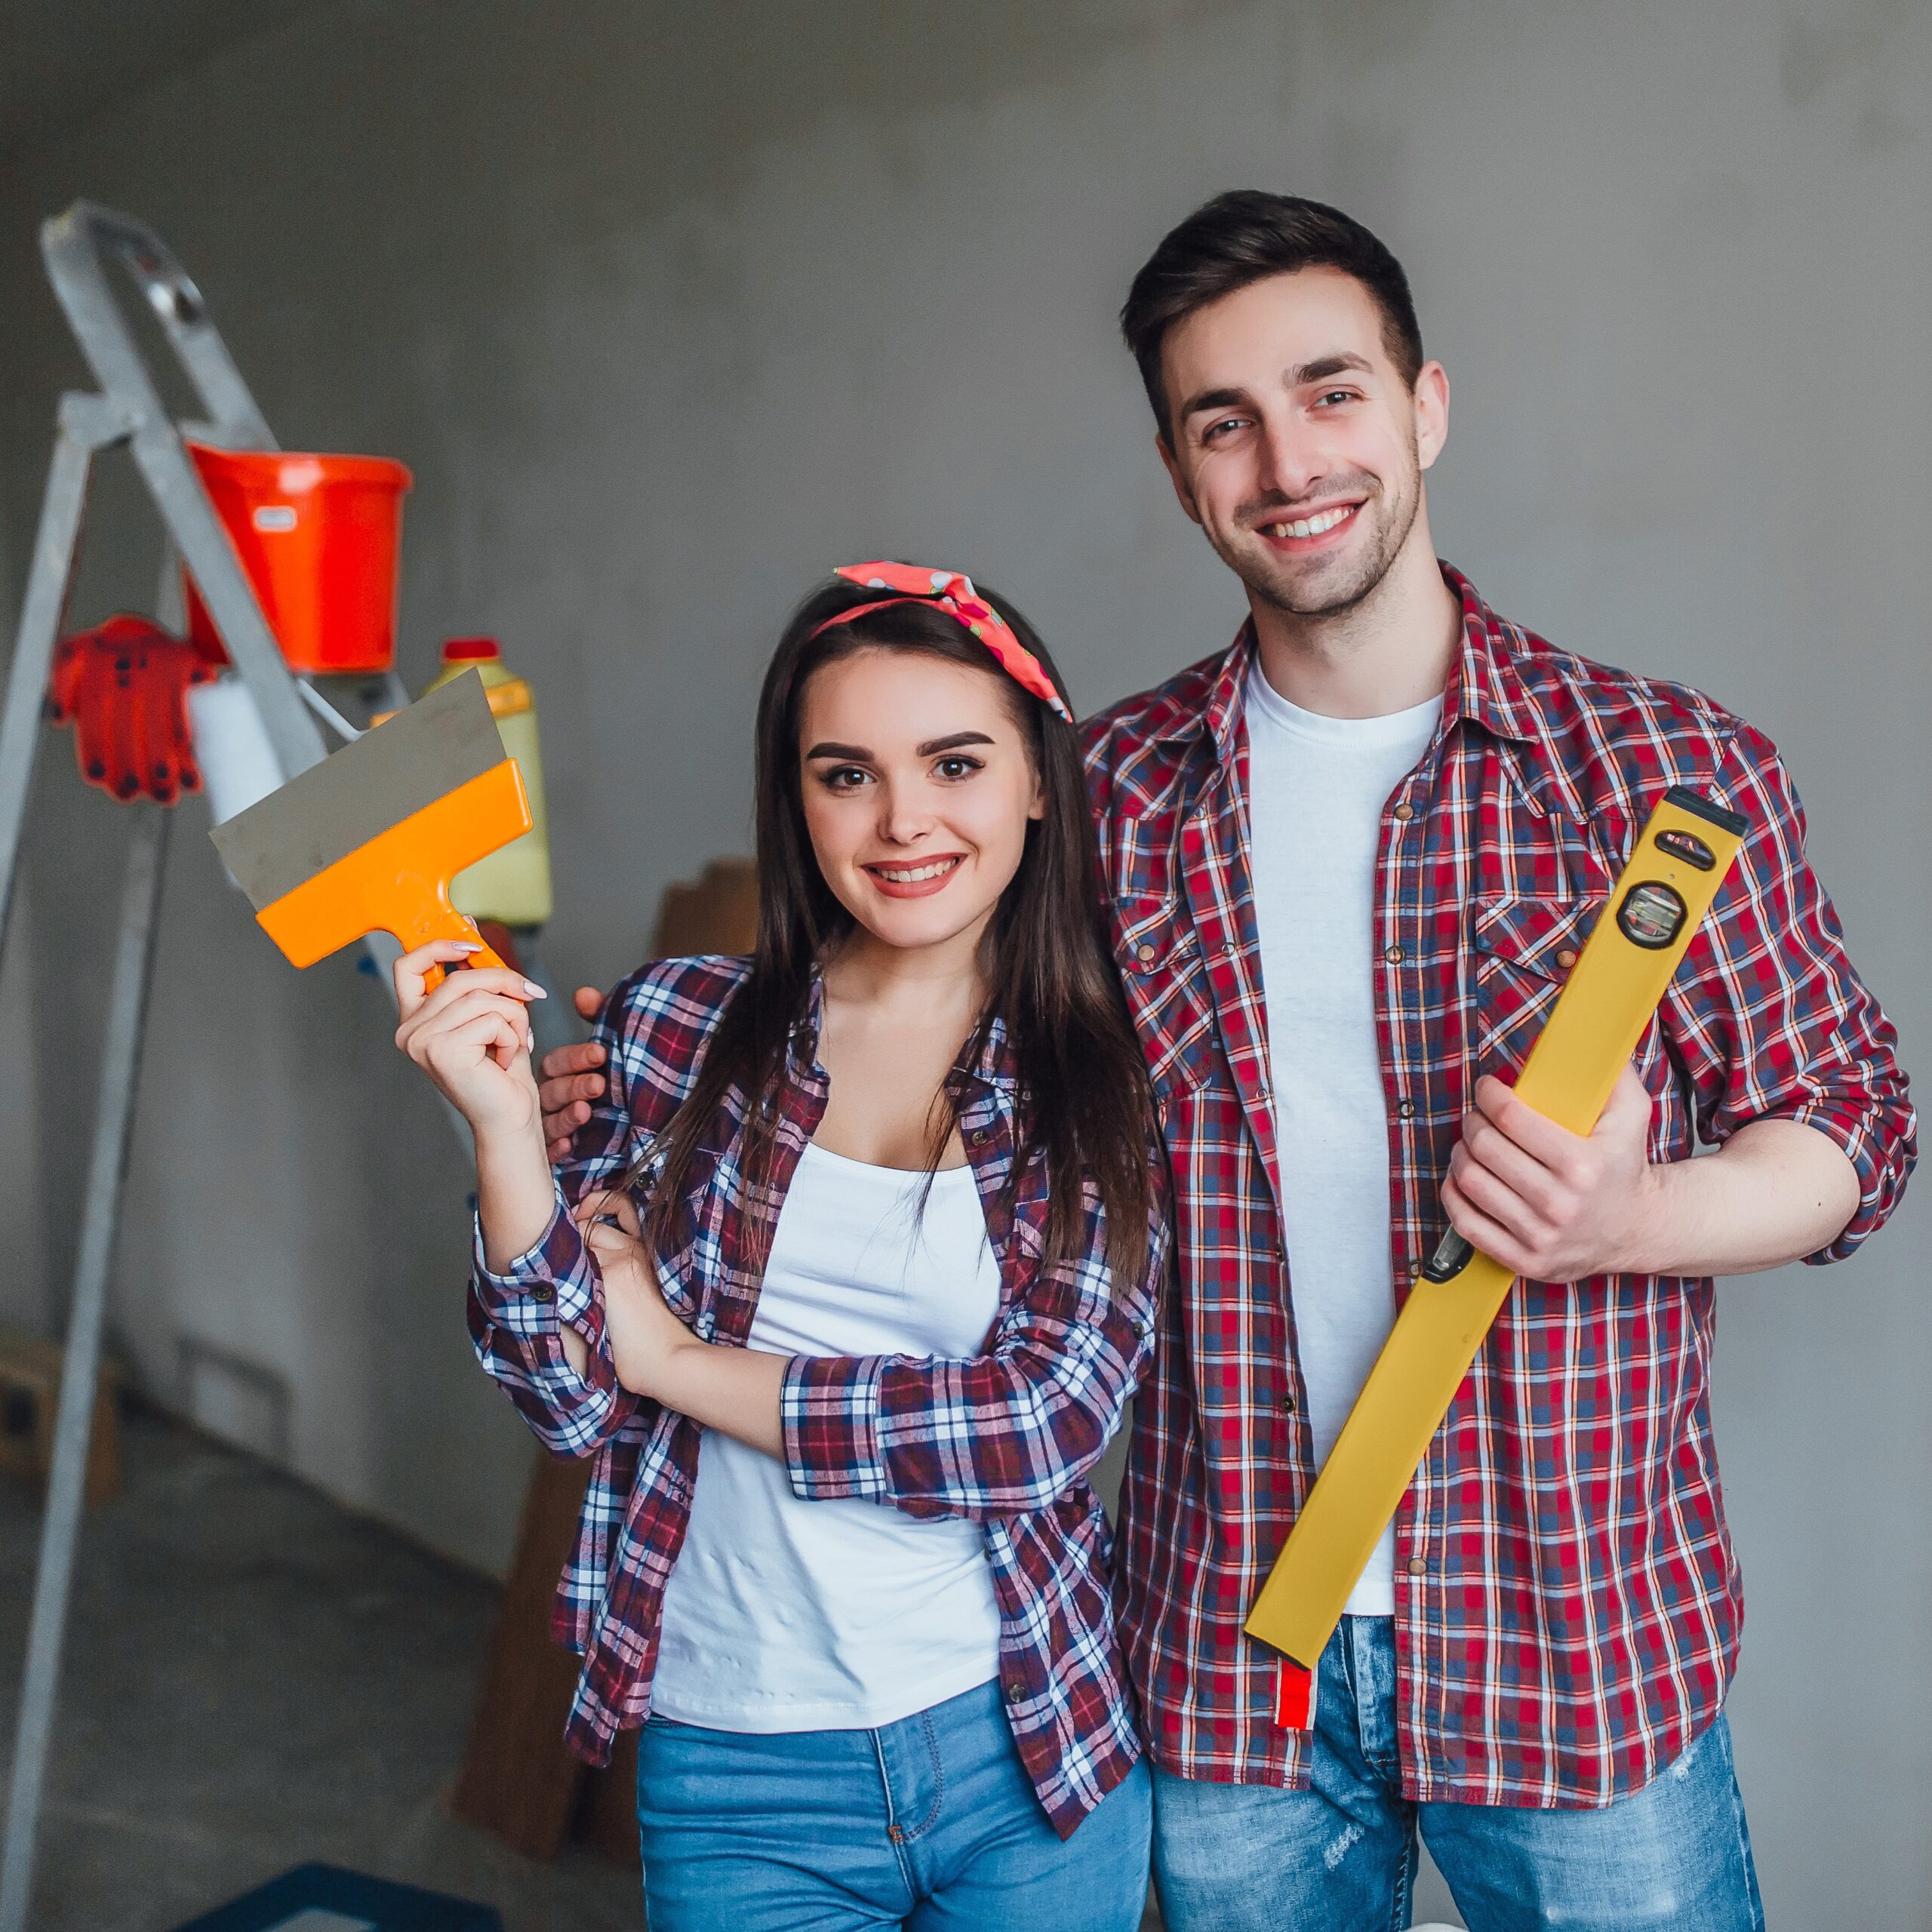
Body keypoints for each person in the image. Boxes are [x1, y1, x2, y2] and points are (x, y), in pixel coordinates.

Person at [542, 197, 1916, 1930]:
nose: (1286, 460)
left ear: (1422, 406)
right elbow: (879, 995)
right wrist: (632, 1087)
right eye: (1222, 422)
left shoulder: (1658, 767)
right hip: (1224, 1643)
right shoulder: (1097, 805)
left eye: (1327, 392)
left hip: (1576, 1634)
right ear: (1181, 475)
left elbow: (1851, 1123)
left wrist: (1627, 1215)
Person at [398, 564, 1164, 1932]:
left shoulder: (1098, 1072)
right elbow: (570, 1398)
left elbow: (1033, 1431)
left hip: (1028, 1747)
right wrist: (507, 1135)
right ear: (794, 797)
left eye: (955, 762)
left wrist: (679, 1361)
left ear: (1039, 784)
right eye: (846, 773)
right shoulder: (676, 1030)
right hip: (738, 1761)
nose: (903, 820)